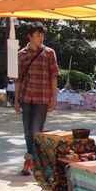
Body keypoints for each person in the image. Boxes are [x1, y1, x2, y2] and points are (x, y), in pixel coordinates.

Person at [14, 23, 60, 175]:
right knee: (27, 131)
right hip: (26, 96)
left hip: (42, 97)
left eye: (42, 35)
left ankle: (30, 160)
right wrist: (16, 100)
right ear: (30, 36)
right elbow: (18, 79)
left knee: (36, 130)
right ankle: (33, 159)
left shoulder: (49, 53)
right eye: (38, 35)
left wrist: (54, 97)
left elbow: (54, 77)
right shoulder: (21, 54)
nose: (41, 38)